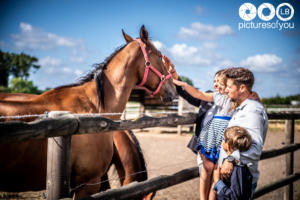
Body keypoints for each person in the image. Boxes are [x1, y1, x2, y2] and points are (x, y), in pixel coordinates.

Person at [218, 67, 268, 197]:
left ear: (242, 88)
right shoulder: (241, 108)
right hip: (233, 179)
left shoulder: (252, 111)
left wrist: (230, 159)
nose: (226, 90)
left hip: (239, 180)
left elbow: (255, 148)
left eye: (229, 87)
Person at [213, 126, 253, 200]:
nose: (221, 141)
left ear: (227, 145)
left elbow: (234, 197)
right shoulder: (233, 163)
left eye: (223, 139)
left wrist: (217, 182)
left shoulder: (237, 167)